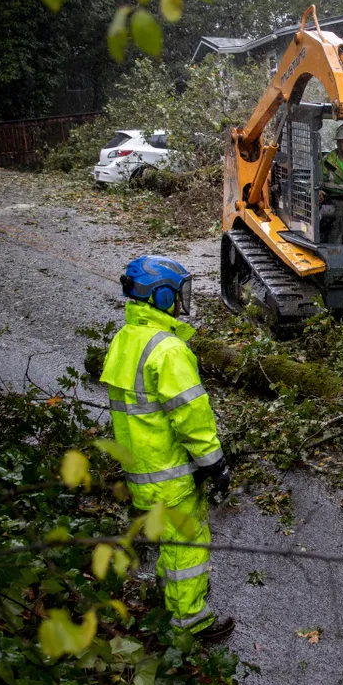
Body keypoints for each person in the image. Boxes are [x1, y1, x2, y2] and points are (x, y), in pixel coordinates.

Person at [101, 256, 235, 642]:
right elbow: (191, 416)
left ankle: (169, 588)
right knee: (189, 543)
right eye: (178, 293)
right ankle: (191, 620)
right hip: (171, 469)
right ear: (160, 296)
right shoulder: (168, 350)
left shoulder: (126, 339)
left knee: (169, 538)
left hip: (142, 468)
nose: (182, 301)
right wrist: (214, 463)